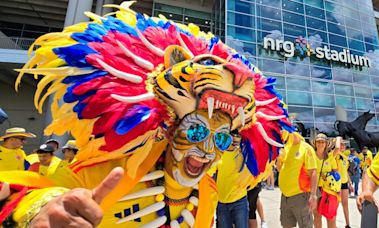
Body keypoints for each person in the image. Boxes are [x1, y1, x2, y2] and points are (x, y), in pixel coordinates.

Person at [0, 3, 295, 226]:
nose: (206, 151)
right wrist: (40, 208)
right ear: (168, 129)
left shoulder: (207, 192)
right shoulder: (109, 172)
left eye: (219, 140)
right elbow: (20, 191)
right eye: (196, 132)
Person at [277, 132, 318, 228]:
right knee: (286, 225)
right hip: (285, 196)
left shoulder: (306, 148)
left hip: (300, 196)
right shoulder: (286, 148)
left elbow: (313, 172)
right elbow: (281, 169)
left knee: (305, 226)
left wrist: (313, 195)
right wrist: (278, 160)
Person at [311, 133, 338, 228]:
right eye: (318, 141)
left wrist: (338, 137)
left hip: (328, 189)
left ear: (326, 144)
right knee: (317, 215)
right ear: (315, 143)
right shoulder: (311, 156)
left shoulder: (330, 157)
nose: (320, 143)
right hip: (314, 189)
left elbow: (336, 174)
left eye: (323, 142)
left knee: (330, 216)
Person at [334, 139, 353, 228]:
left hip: (344, 182)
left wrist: (350, 183)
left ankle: (347, 224)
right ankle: (333, 224)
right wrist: (338, 139)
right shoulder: (335, 154)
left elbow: (345, 171)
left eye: (344, 145)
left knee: (345, 204)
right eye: (341, 144)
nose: (343, 146)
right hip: (336, 184)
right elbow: (337, 149)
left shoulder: (345, 157)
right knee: (335, 205)